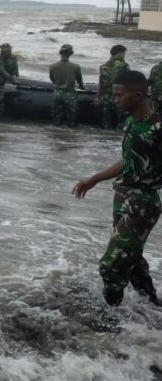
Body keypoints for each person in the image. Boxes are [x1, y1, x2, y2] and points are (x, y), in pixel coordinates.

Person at [73, 70, 162, 307]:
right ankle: (152, 306)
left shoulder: (157, 128)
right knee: (131, 259)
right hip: (123, 197)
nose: (115, 100)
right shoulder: (132, 122)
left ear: (138, 95)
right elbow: (128, 160)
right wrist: (95, 178)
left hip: (142, 203)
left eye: (119, 96)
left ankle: (112, 322)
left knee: (111, 266)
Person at [48, 44, 84, 127]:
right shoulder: (76, 67)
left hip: (57, 93)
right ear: (71, 53)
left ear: (60, 53)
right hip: (69, 94)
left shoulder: (52, 66)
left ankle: (56, 133)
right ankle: (70, 134)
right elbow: (80, 82)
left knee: (57, 116)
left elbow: (53, 79)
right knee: (72, 116)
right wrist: (82, 87)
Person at [98, 44, 129, 130]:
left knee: (106, 122)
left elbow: (100, 83)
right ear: (119, 53)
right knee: (121, 122)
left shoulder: (103, 66)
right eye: (124, 53)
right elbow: (128, 81)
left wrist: (97, 97)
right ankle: (116, 141)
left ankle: (106, 140)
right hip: (118, 97)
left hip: (105, 97)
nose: (124, 56)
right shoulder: (123, 65)